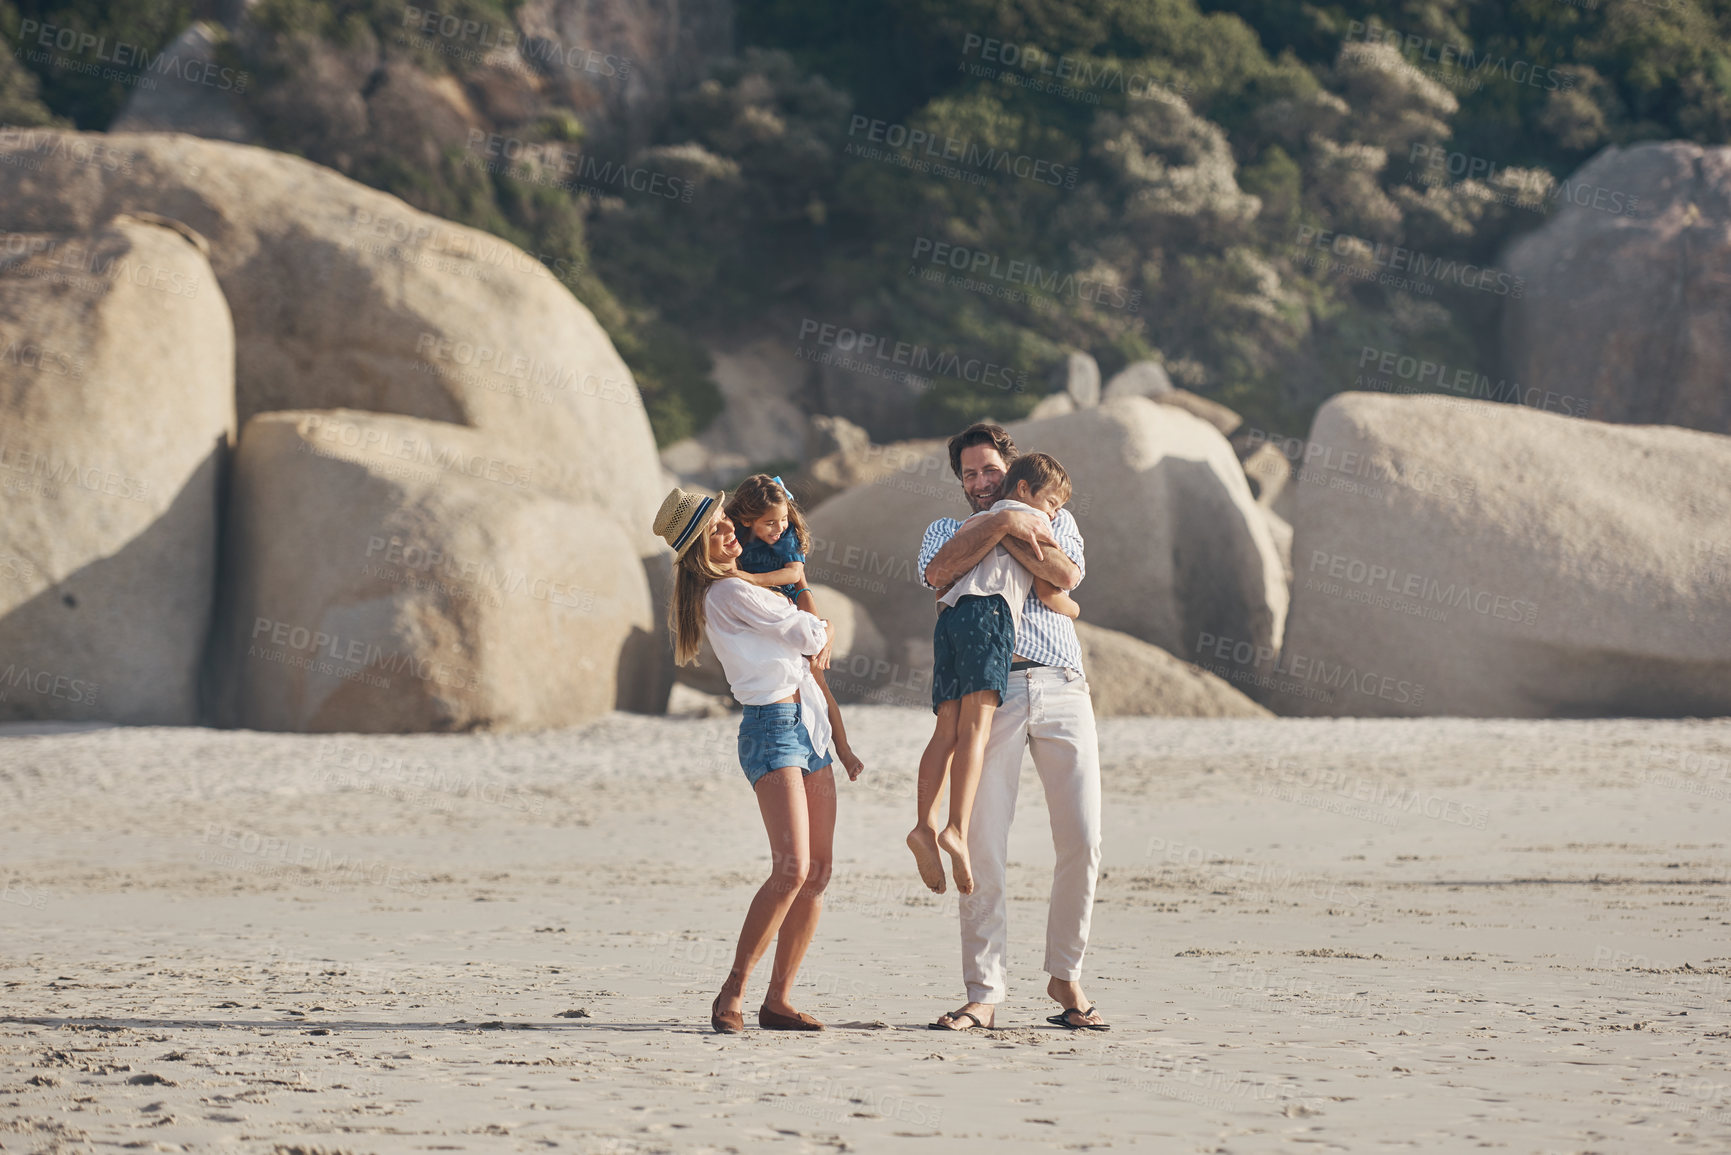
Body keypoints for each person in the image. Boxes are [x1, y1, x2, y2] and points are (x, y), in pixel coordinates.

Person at [915, 423, 1108, 1033]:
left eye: (989, 471)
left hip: (1061, 683)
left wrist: (1012, 523)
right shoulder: (946, 530)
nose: (978, 483)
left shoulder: (1056, 513)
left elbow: (1065, 579)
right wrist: (1002, 523)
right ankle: (984, 991)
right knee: (983, 841)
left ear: (1014, 468)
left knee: (1082, 838)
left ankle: (1064, 975)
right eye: (969, 475)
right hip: (988, 691)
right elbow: (939, 573)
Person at [653, 485, 862, 1034]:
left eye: (726, 523)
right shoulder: (727, 593)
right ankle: (733, 992)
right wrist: (823, 628)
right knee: (792, 869)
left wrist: (817, 628)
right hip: (773, 727)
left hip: (809, 722)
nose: (730, 533)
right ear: (698, 547)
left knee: (818, 872)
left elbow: (807, 629)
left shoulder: (745, 586)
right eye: (717, 530)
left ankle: (779, 1000)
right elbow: (810, 631)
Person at [907, 452, 1079, 898]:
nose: (1055, 513)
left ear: (1010, 473)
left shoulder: (969, 527)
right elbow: (1051, 584)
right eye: (1053, 503)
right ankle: (955, 830)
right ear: (1025, 490)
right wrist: (1074, 609)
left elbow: (941, 582)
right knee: (975, 732)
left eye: (988, 471)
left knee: (944, 731)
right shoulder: (1031, 519)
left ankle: (923, 825)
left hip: (950, 620)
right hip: (990, 618)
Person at [725, 474, 865, 779]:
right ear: (748, 520)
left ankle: (843, 749)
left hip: (791, 606)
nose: (779, 528)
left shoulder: (785, 537)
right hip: (764, 616)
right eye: (770, 523)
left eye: (783, 519)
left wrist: (750, 580)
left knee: (819, 683)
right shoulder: (734, 534)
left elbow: (793, 575)